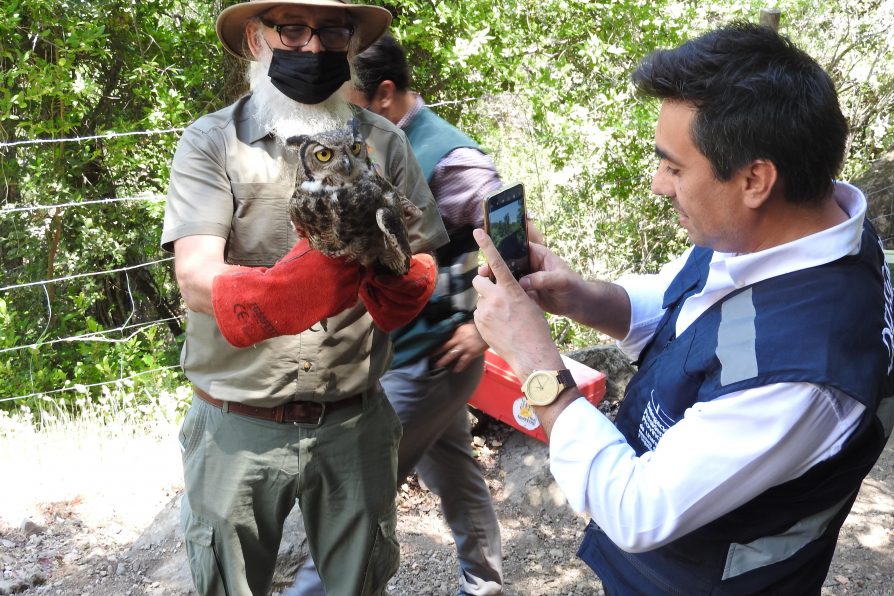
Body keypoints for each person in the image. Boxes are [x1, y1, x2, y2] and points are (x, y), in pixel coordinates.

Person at [472, 22, 894, 595]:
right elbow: (686, 306)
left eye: (673, 166)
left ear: (754, 179)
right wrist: (579, 297)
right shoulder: (795, 232)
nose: (656, 184)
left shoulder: (803, 375)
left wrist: (533, 360)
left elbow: (636, 509)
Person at [161, 0, 450, 593]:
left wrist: (409, 280)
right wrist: (288, 292)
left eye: (331, 30)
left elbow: (422, 251)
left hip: (354, 419)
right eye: (291, 28)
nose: (312, 47)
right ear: (254, 39)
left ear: (350, 44)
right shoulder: (212, 142)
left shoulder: (382, 141)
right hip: (237, 420)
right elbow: (194, 278)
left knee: (359, 582)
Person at [288, 32, 505, 596]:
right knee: (453, 468)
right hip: (407, 353)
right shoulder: (357, 148)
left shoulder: (451, 158)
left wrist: (484, 327)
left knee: (359, 499)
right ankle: (485, 585)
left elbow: (520, 242)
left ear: (383, 94)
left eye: (346, 98)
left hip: (430, 359)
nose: (332, 111)